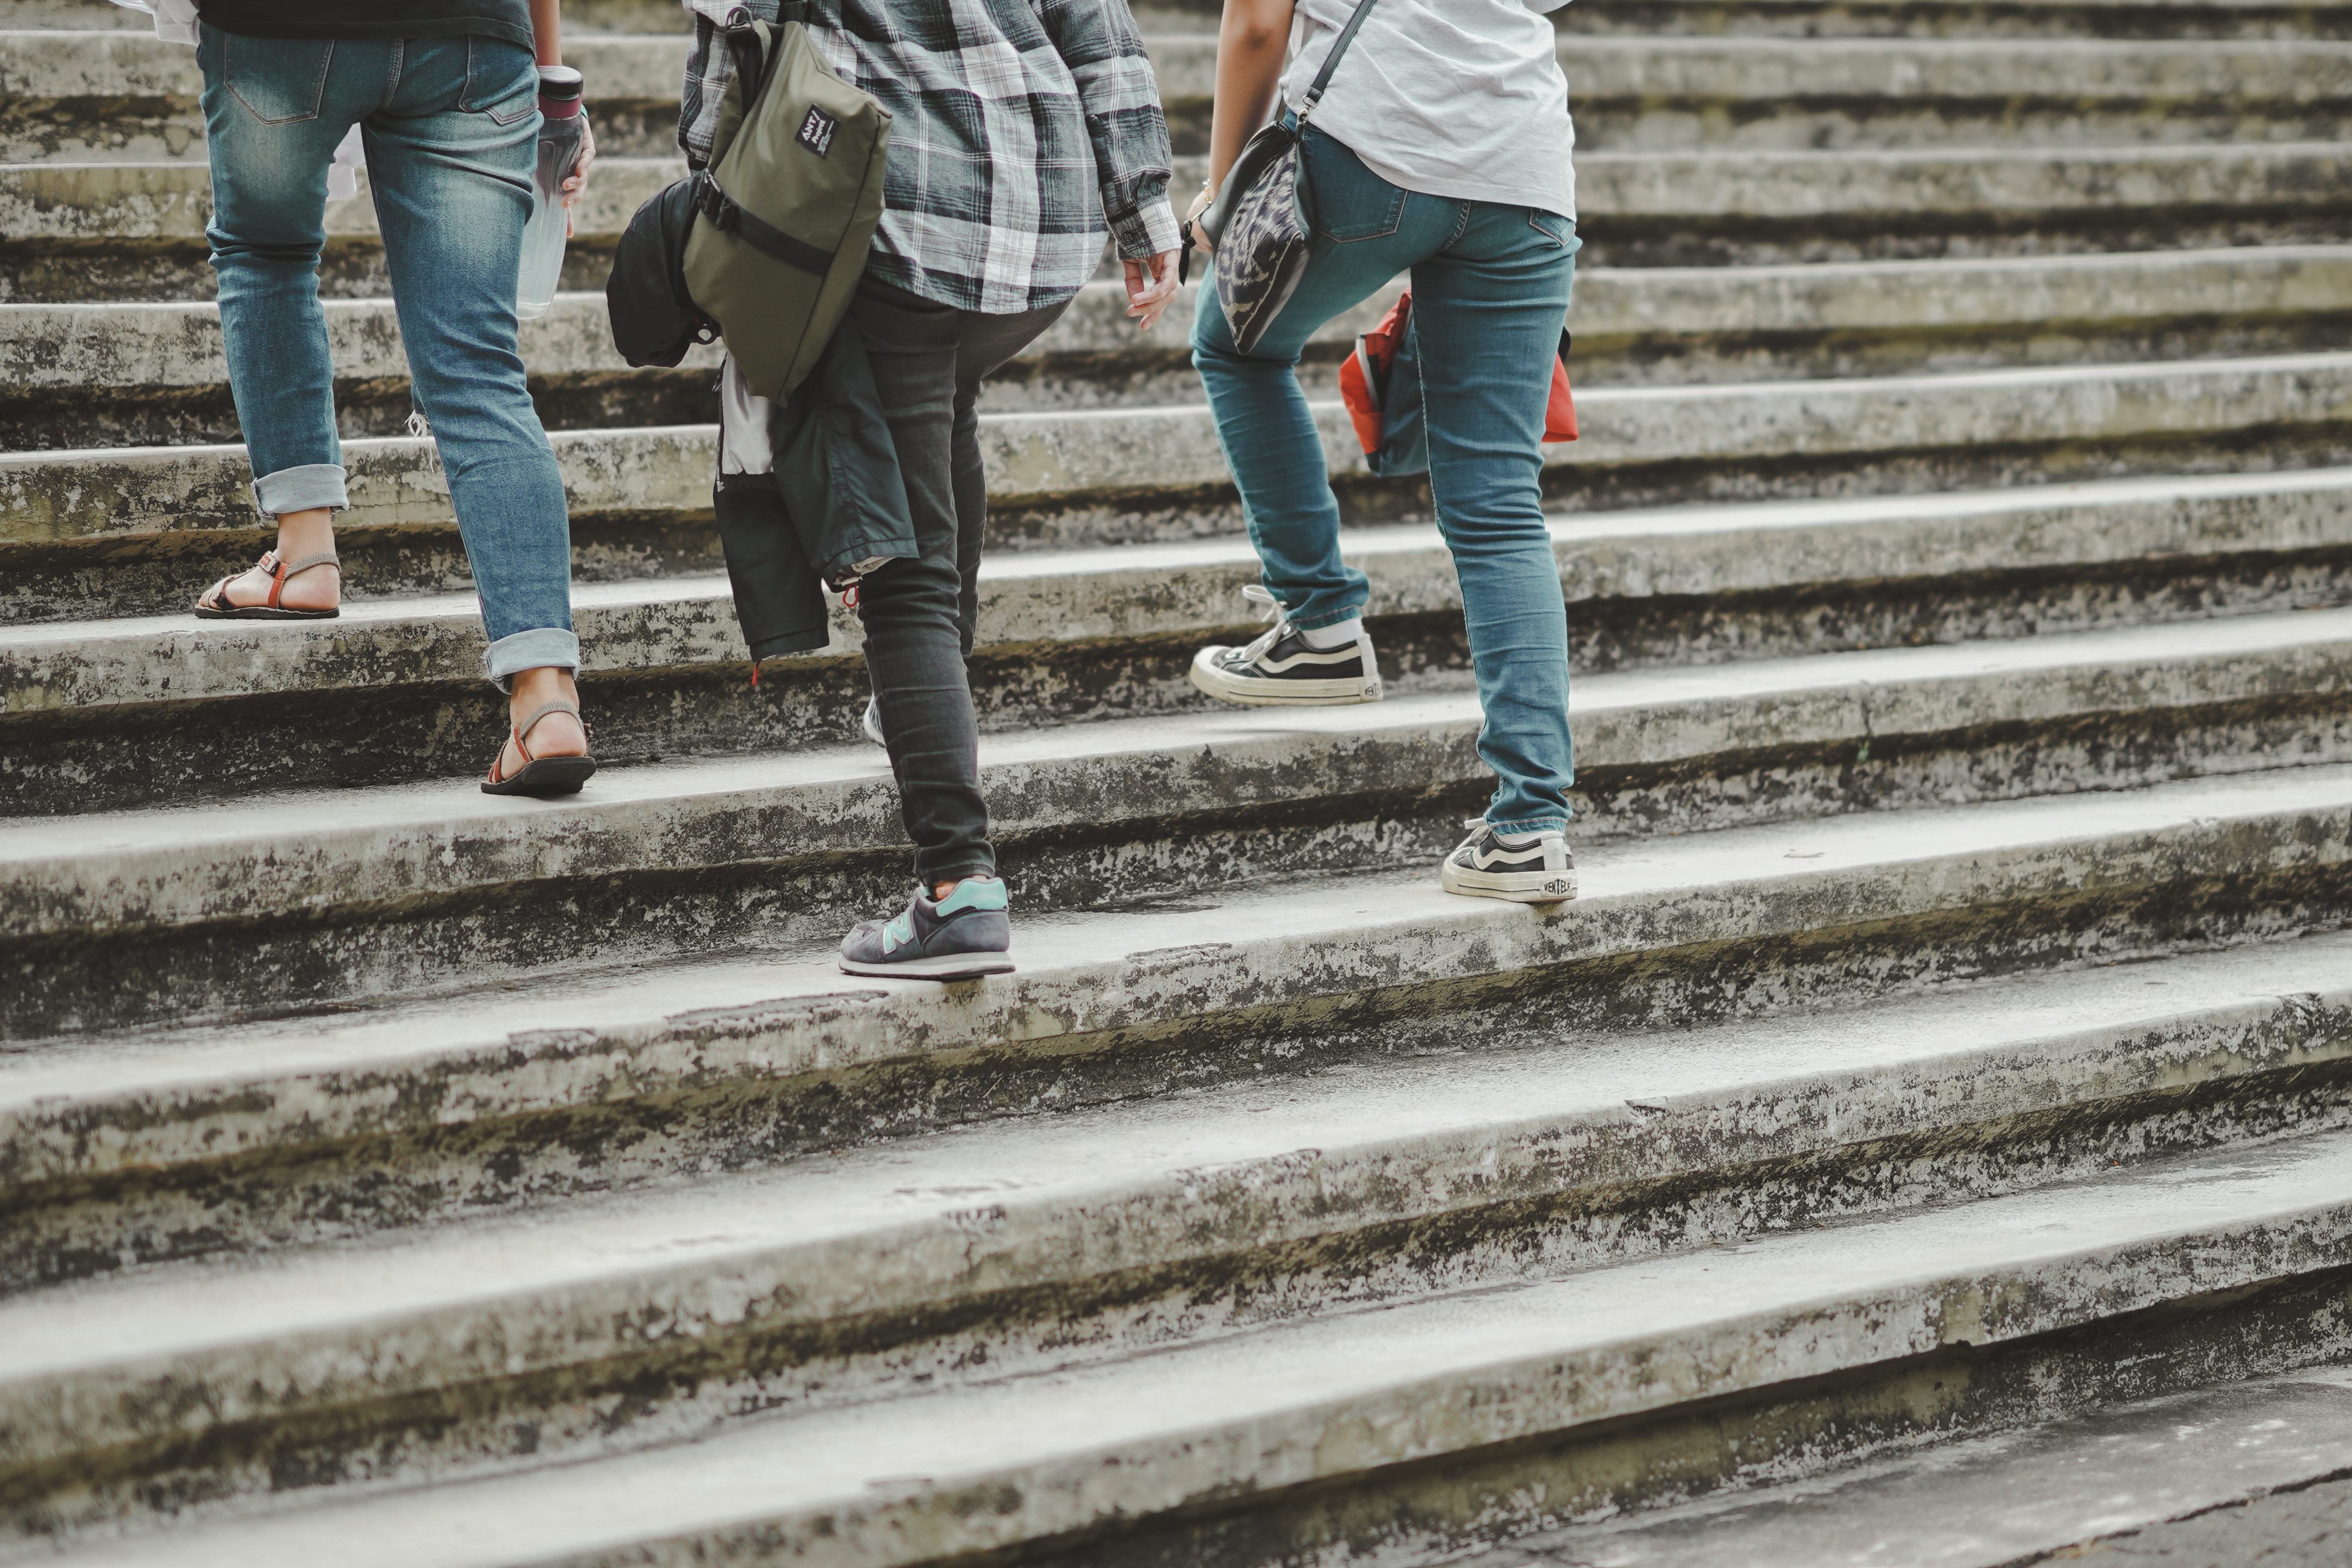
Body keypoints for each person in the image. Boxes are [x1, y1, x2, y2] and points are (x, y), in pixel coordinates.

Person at [679, 0, 1186, 977]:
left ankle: (958, 886)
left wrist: (711, 194)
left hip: (892, 205)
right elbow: (1099, 27)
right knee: (939, 417)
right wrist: (1143, 203)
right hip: (1038, 227)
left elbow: (730, 31)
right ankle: (917, 700)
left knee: (902, 558)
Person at [1186, 0, 1584, 903]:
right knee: (1497, 502)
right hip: (1524, 166)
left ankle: (1321, 621)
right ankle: (1530, 825)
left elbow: (1255, 22)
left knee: (1235, 344)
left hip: (1373, 140)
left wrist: (1222, 192)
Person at [187, 0, 601, 797]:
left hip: (282, 30)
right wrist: (554, 86)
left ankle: (303, 553)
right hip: (475, 35)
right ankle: (546, 700)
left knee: (265, 254)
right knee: (477, 364)